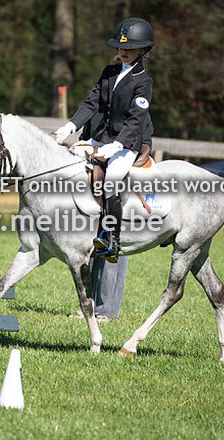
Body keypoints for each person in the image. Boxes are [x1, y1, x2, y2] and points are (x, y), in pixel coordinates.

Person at [54, 17, 154, 262]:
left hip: (125, 145)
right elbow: (92, 103)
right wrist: (70, 127)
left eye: (129, 48)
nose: (123, 51)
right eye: (121, 47)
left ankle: (112, 239)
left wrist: (117, 146)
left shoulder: (144, 82)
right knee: (70, 159)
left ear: (143, 50)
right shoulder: (109, 72)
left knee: (111, 180)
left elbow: (135, 119)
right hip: (101, 139)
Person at [70, 101, 154, 322]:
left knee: (113, 244)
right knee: (92, 244)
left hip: (123, 169)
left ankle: (107, 309)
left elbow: (145, 144)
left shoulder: (135, 109)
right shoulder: (96, 109)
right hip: (95, 170)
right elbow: (85, 139)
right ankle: (89, 306)